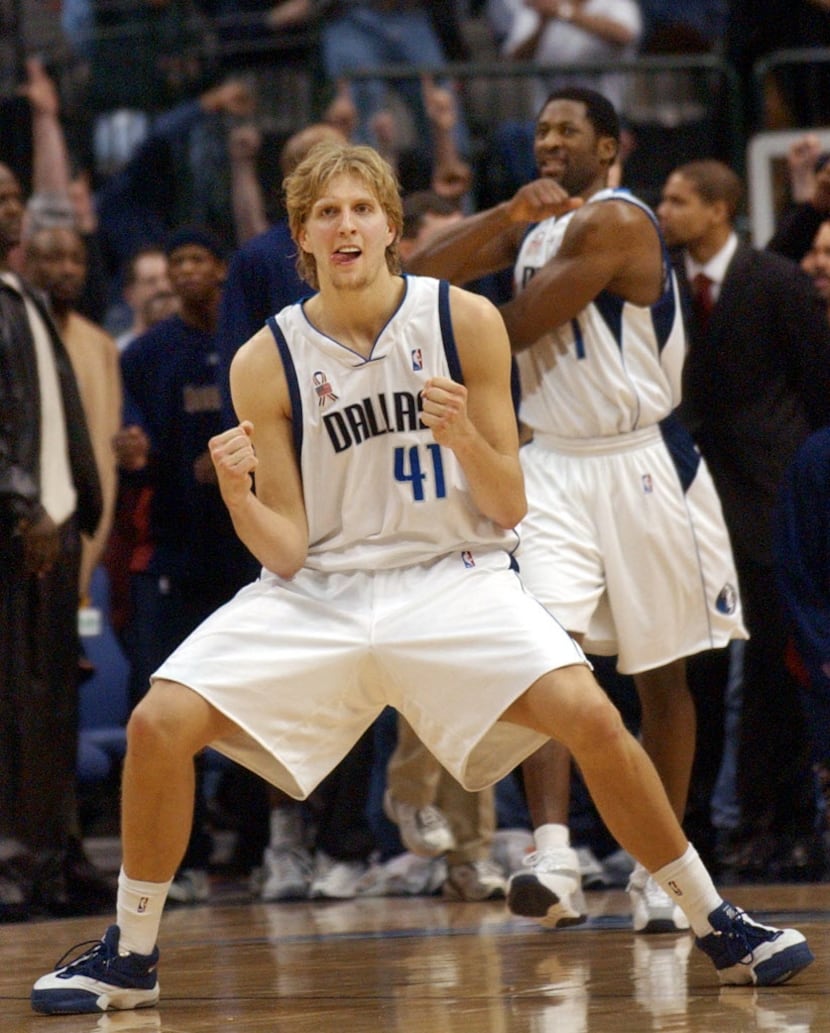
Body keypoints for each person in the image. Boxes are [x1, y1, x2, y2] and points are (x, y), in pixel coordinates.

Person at [30, 139, 812, 1016]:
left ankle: (714, 920)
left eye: (363, 208)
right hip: (320, 590)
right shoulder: (265, 359)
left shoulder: (462, 322)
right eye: (327, 212)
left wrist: (464, 439)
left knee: (592, 713)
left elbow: (510, 501)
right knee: (159, 721)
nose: (347, 224)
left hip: (454, 576)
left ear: (393, 228)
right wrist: (244, 498)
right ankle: (132, 953)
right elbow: (283, 548)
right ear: (303, 240)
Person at [658, 159, 830, 882]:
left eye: (676, 199)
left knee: (770, 668)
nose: (662, 209)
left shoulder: (776, 280)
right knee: (689, 668)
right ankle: (688, 828)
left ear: (720, 209)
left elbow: (817, 383)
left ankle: (775, 822)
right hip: (681, 494)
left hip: (765, 493)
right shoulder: (652, 278)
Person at [115, 226, 260, 903]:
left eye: (197, 259)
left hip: (251, 555)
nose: (185, 272)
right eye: (175, 263)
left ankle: (260, 849)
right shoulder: (145, 354)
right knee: (171, 714)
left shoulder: (253, 345)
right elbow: (133, 439)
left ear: (223, 268)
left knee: (259, 712)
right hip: (177, 554)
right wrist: (138, 452)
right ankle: (187, 859)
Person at [0, 162, 103, 923]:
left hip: (55, 530)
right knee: (11, 709)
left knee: (51, 710)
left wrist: (77, 507)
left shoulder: (24, 296)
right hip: (17, 529)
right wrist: (20, 501)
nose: (12, 207)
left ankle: (53, 858)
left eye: (13, 196)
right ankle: (12, 862)